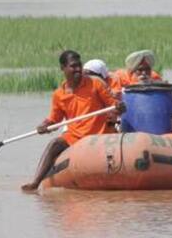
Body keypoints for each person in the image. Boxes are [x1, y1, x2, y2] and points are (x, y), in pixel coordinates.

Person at [22, 50, 124, 192]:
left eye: (79, 65)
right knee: (54, 144)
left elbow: (114, 107)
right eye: (73, 66)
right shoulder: (59, 94)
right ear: (63, 68)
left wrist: (119, 108)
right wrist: (44, 126)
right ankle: (35, 183)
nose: (77, 69)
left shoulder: (96, 84)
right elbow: (54, 120)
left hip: (100, 135)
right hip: (75, 137)